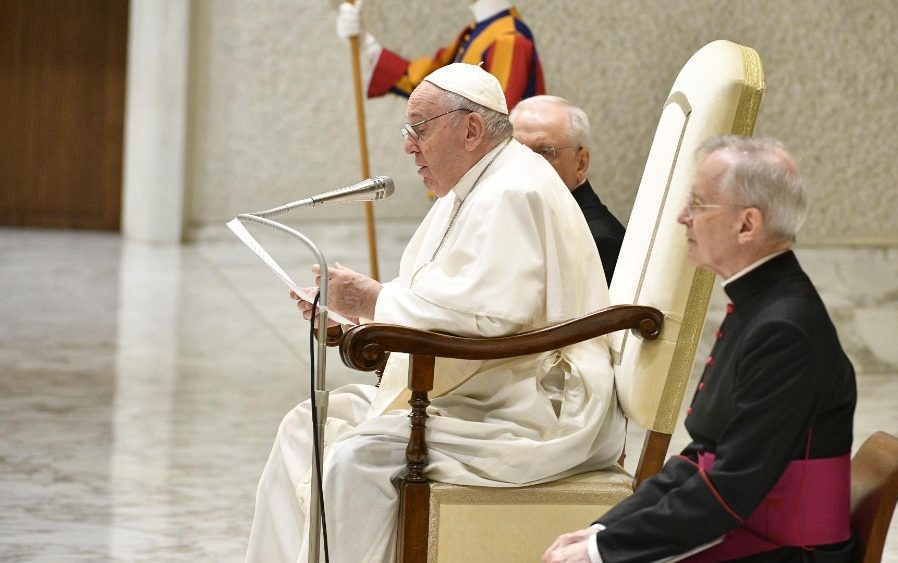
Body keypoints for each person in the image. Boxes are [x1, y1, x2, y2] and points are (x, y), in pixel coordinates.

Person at [246, 63, 624, 563]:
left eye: (418, 128)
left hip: (525, 406)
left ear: (470, 129)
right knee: (305, 427)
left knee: (355, 461)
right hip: (481, 387)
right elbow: (448, 299)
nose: (407, 145)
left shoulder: (513, 190)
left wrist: (371, 303)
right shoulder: (473, 186)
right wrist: (358, 320)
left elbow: (488, 322)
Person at [543, 136, 858, 563]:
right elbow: (702, 457)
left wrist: (603, 551)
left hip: (791, 552)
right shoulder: (761, 302)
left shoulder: (783, 329)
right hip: (753, 530)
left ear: (747, 225)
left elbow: (730, 488)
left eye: (698, 204)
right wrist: (603, 529)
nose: (682, 217)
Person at [336, 0, 545, 110]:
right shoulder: (480, 32)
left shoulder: (508, 38)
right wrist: (365, 43)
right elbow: (430, 85)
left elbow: (498, 122)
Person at [510, 95, 626, 285]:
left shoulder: (598, 241)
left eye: (545, 152)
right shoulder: (522, 214)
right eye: (516, 149)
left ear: (581, 163)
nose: (525, 163)